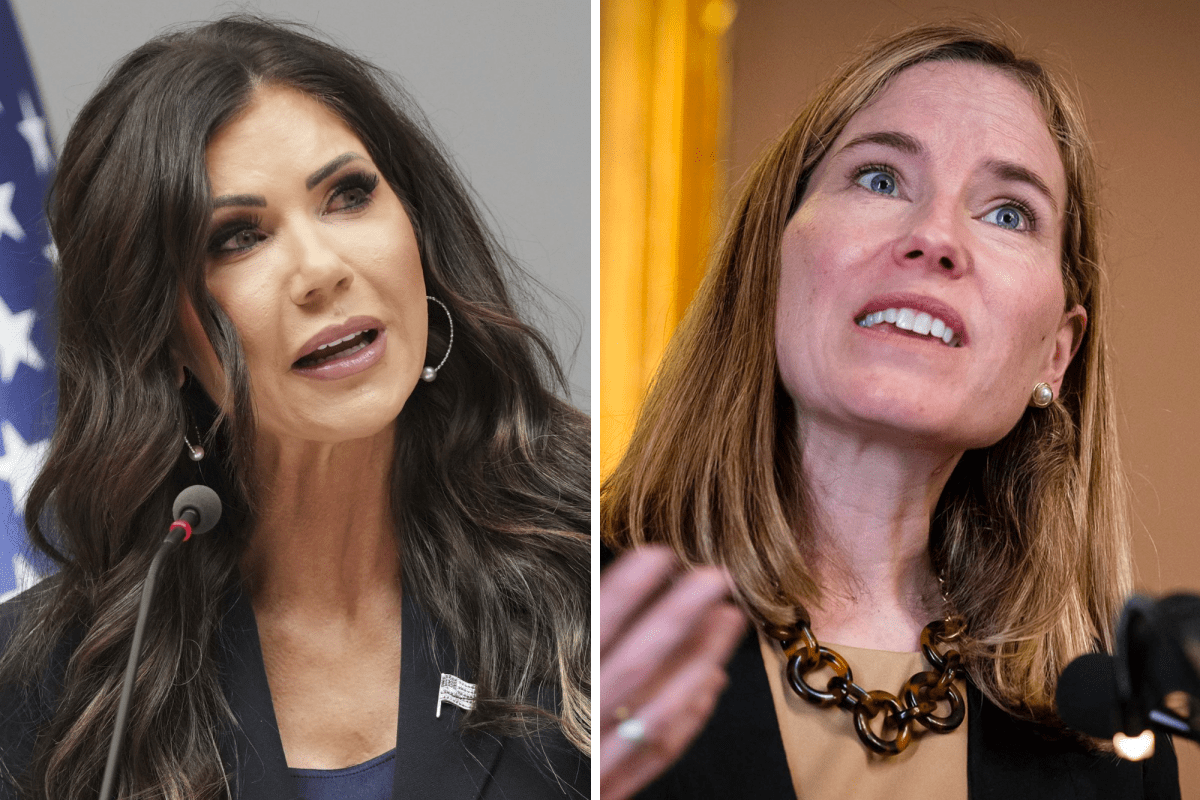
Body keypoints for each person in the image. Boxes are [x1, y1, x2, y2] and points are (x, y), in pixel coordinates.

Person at [0, 15, 589, 800]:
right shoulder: (48, 685)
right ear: (160, 334)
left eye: (348, 196)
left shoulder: (600, 568)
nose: (321, 270)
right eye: (237, 238)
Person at [601, 21, 1181, 799]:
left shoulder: (1112, 734)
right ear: (770, 259)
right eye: (880, 178)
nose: (935, 238)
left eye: (1008, 212)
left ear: (1056, 355)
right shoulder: (553, 615)